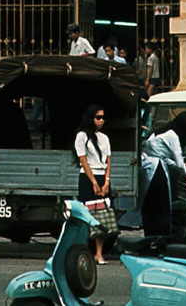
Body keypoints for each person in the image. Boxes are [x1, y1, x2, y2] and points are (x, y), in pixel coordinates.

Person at [74, 104, 112, 264]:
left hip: (102, 177)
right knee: (86, 215)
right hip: (88, 178)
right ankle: (84, 251)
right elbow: (83, 160)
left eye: (103, 117)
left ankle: (98, 252)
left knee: (101, 216)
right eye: (98, 117)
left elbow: (109, 160)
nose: (101, 120)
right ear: (91, 118)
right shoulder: (81, 136)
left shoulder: (104, 138)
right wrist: (94, 183)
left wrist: (106, 182)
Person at [139, 114, 186, 237]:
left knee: (148, 205)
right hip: (158, 170)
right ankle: (161, 237)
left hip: (145, 168)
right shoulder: (173, 135)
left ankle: (149, 236)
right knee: (162, 206)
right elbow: (179, 161)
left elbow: (162, 156)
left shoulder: (157, 132)